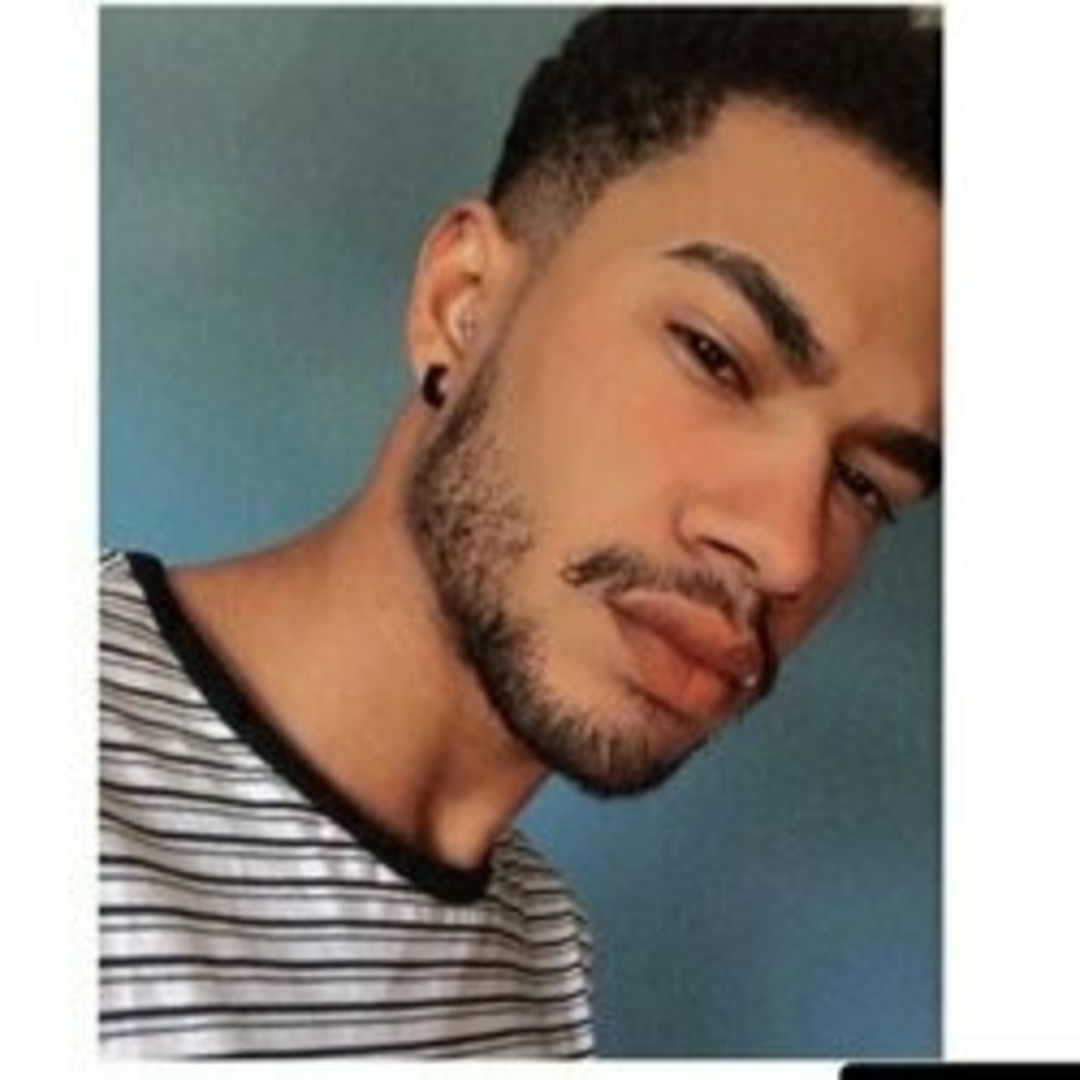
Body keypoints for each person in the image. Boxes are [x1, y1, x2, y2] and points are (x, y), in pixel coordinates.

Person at [99, 6, 942, 1059]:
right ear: (463, 302)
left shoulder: (543, 950)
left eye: (864, 484)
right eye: (715, 357)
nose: (789, 552)